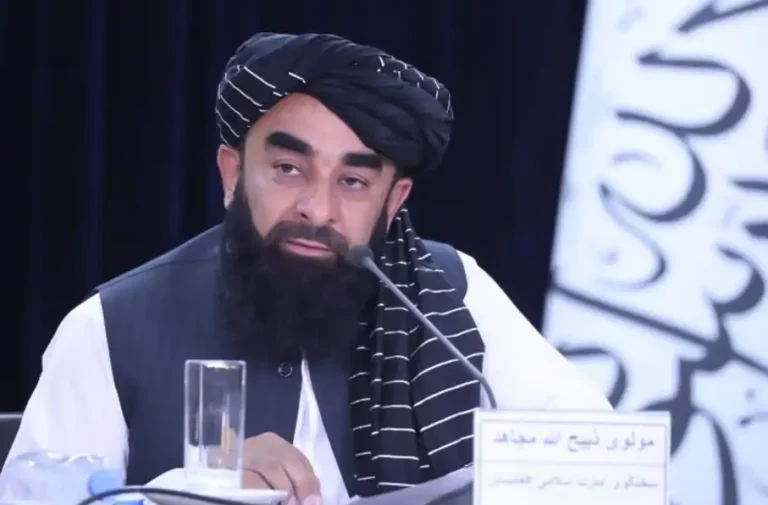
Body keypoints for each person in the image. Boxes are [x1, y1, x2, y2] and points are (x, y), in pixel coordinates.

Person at [0, 32, 611, 505]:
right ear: (234, 175)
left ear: (393, 202)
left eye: (353, 181)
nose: (317, 209)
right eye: (289, 170)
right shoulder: (108, 326)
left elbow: (600, 471)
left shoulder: (451, 297)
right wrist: (184, 492)